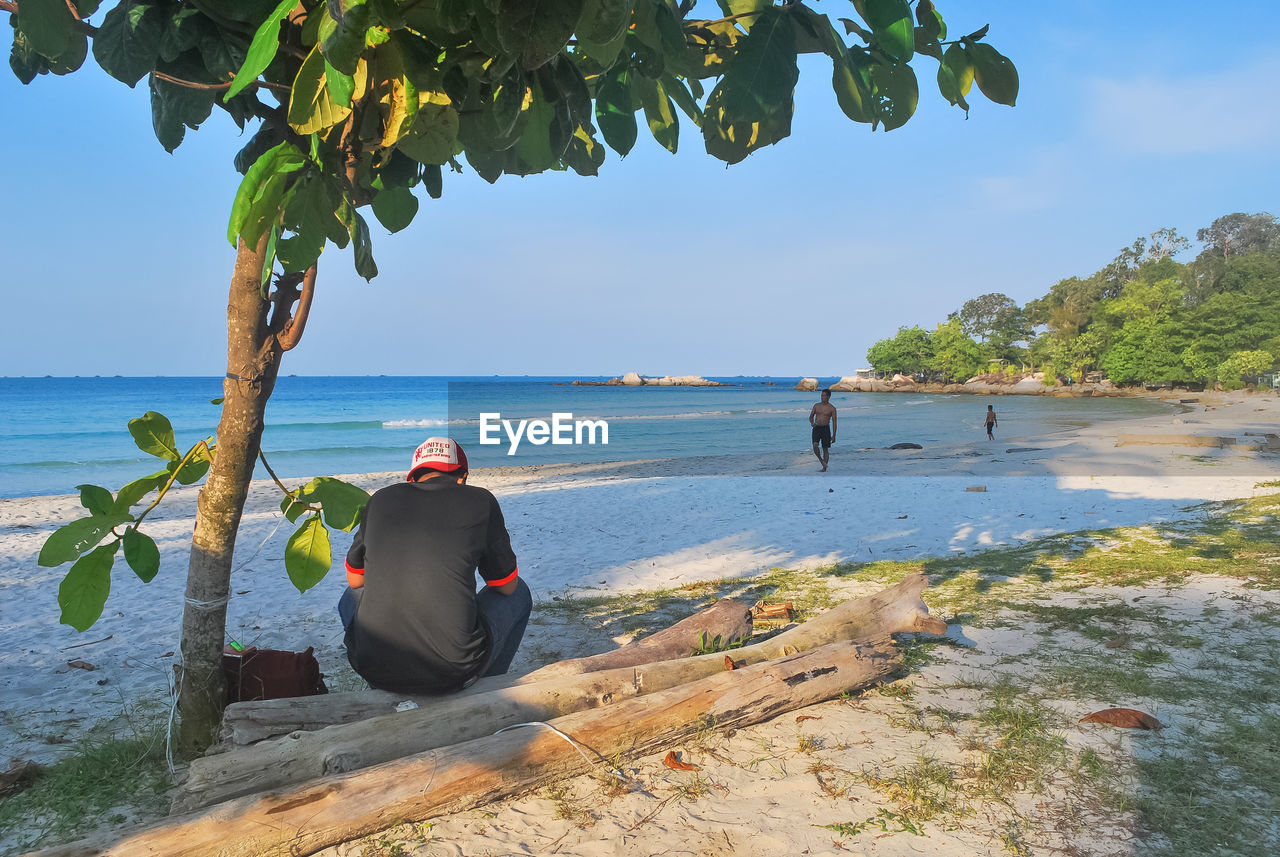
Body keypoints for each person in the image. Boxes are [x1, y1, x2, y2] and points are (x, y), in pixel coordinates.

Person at [337, 437, 531, 694]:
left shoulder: (381, 499)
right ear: (462, 478)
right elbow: (506, 586)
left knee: (347, 598)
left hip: (374, 669)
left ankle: (385, 676)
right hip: (453, 673)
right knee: (520, 593)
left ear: (413, 478)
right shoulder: (480, 501)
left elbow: (356, 582)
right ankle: (484, 687)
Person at [809, 388, 837, 471]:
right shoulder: (816, 405)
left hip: (825, 429)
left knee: (825, 449)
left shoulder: (832, 408)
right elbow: (811, 417)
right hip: (817, 428)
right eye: (821, 395)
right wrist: (812, 423)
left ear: (828, 397)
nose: (822, 397)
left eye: (824, 396)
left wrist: (834, 435)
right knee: (815, 445)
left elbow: (834, 422)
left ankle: (824, 468)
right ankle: (821, 461)